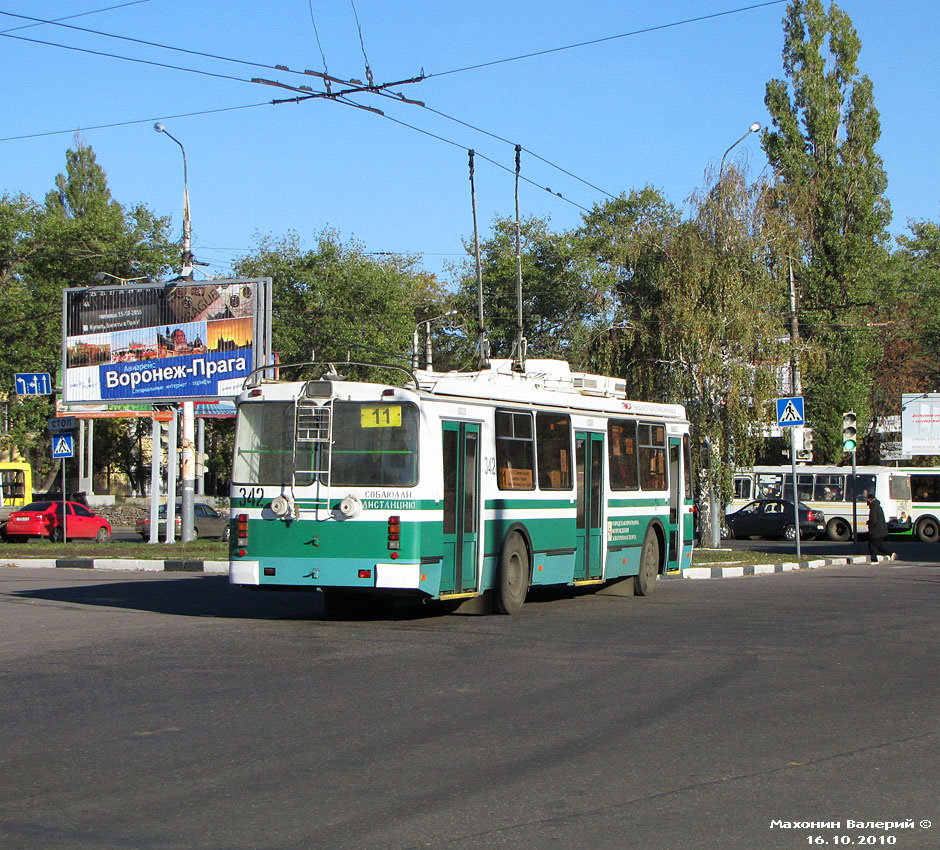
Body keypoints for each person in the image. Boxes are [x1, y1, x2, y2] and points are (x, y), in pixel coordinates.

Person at [866, 494, 892, 562]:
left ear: (870, 499)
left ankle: (874, 560)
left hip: (876, 530)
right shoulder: (878, 506)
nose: (867, 501)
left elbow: (873, 520)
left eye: (867, 499)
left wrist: (869, 524)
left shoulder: (873, 507)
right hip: (881, 530)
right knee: (878, 546)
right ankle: (890, 553)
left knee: (871, 545)